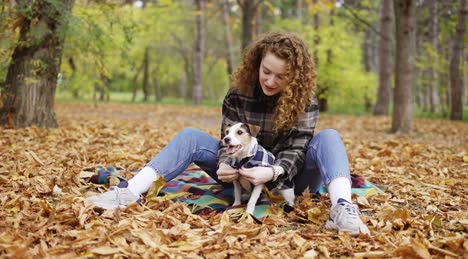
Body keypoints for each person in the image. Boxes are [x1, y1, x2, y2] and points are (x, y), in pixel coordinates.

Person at [86, 32, 370, 236]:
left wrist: (271, 172)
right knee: (189, 136)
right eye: (266, 71)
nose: (270, 81)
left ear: (294, 77)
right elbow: (227, 139)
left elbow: (298, 149)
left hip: (289, 180)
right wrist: (224, 161)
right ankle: (129, 192)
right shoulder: (238, 94)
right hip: (240, 175)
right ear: (257, 63)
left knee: (329, 136)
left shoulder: (305, 100)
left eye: (281, 77)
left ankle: (343, 210)